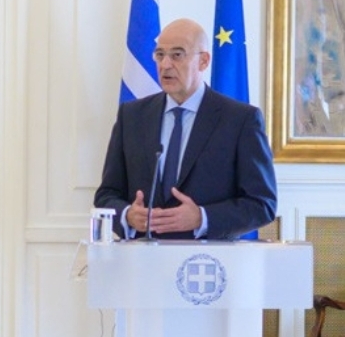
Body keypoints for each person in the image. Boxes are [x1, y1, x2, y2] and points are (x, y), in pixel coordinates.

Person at [93, 18, 278, 240]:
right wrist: (128, 216)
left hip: (209, 258)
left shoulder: (240, 120)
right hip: (143, 257)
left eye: (177, 55)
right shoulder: (132, 116)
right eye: (160, 55)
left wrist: (202, 218)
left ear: (203, 61)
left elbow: (262, 204)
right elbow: (107, 195)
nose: (165, 64)